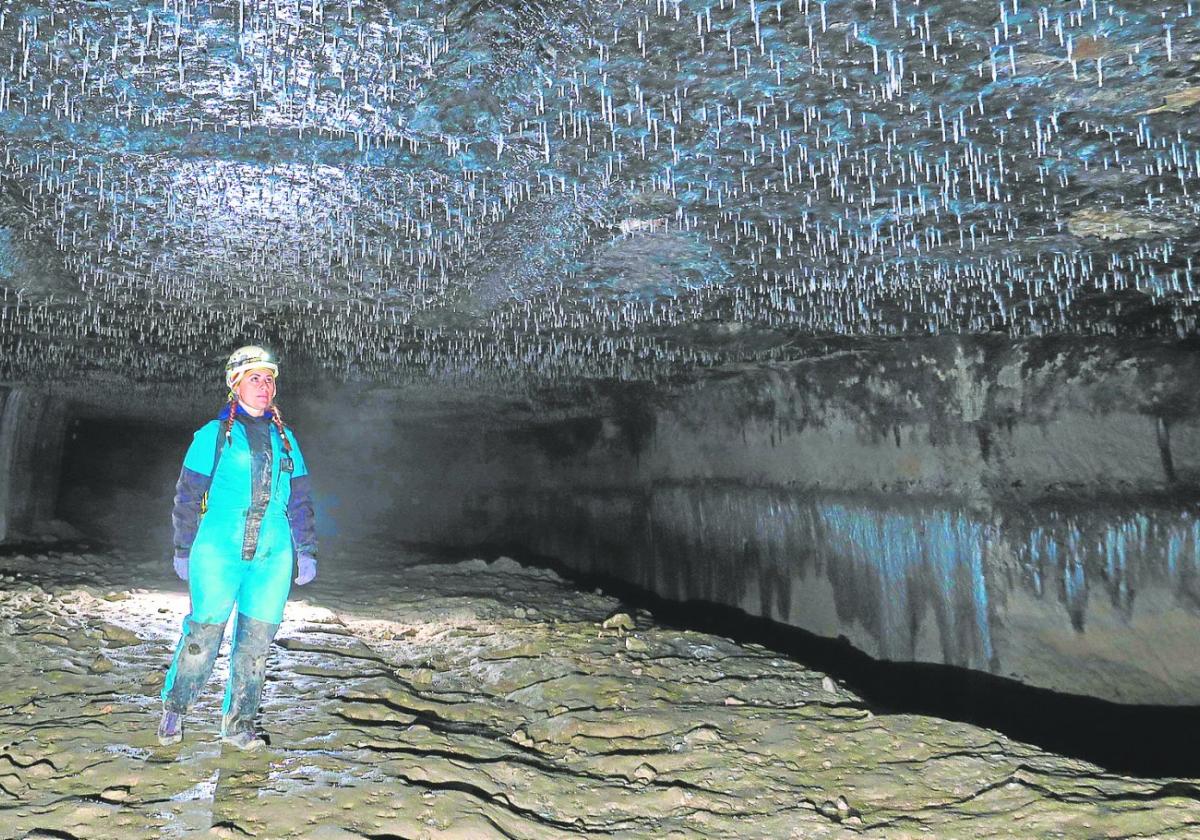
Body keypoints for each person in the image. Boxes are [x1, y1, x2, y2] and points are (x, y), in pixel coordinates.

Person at [157, 345, 318, 751]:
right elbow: (187, 495)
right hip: (219, 550)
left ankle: (239, 724)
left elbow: (300, 498)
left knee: (257, 643)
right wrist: (182, 546)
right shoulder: (213, 435)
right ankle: (176, 708)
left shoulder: (287, 439)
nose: (264, 387)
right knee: (203, 634)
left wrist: (306, 549)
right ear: (235, 385)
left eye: (269, 379)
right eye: (254, 379)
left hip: (274, 554)